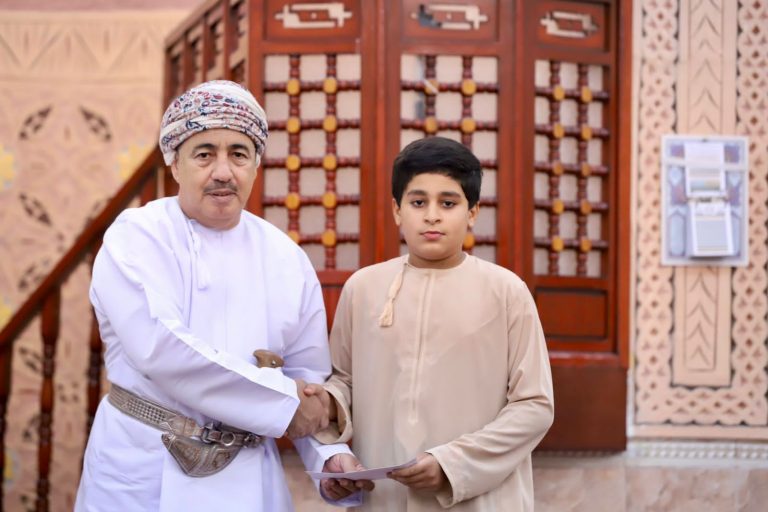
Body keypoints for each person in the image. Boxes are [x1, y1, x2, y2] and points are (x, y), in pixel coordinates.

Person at [75, 80, 372, 511]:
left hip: (248, 479)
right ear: (175, 164)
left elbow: (307, 376)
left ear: (255, 165)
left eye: (238, 154)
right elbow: (161, 348)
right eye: (204, 154)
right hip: (144, 473)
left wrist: (329, 457)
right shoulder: (136, 236)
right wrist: (284, 404)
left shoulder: (285, 257)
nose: (223, 172)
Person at [307, 136, 555, 511]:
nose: (432, 216)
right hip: (385, 498)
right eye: (418, 202)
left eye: (448, 203)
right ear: (397, 210)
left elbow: (534, 405)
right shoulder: (363, 288)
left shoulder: (506, 292)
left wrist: (451, 465)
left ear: (472, 212)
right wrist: (328, 426)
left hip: (479, 499)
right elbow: (344, 383)